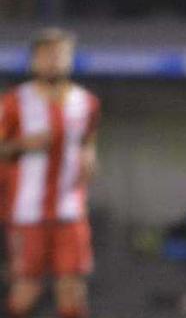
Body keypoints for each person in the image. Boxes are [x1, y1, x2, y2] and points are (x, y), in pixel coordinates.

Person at [0, 29, 99, 318]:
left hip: (71, 210)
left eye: (60, 54)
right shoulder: (13, 102)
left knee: (73, 289)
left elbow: (88, 143)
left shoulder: (87, 102)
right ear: (34, 61)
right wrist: (22, 144)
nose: (54, 61)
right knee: (27, 290)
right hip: (27, 211)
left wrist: (91, 159)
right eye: (47, 54)